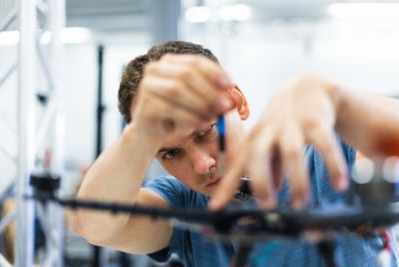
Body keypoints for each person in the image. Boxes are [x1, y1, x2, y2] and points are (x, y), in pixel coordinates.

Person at [73, 40, 399, 267]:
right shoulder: (185, 204)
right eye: (171, 153)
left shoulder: (329, 154)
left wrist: (339, 101)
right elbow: (97, 226)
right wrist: (140, 134)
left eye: (205, 133)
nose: (203, 165)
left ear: (238, 103)